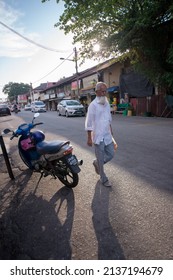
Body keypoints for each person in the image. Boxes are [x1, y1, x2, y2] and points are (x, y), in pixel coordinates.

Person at [85, 81, 117, 187]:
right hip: (98, 136)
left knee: (111, 154)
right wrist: (89, 138)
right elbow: (89, 123)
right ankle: (103, 179)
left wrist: (111, 132)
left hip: (107, 135)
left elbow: (108, 119)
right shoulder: (93, 106)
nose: (104, 93)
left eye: (105, 91)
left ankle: (97, 162)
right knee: (101, 156)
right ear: (97, 92)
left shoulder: (106, 103)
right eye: (102, 91)